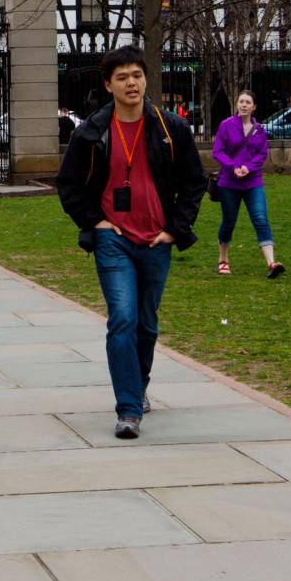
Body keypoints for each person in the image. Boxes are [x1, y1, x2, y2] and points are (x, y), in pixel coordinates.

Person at [54, 45, 207, 441]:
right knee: (122, 317)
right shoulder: (91, 132)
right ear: (109, 85)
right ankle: (128, 409)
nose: (131, 83)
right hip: (113, 240)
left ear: (145, 79)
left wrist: (175, 229)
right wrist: (95, 222)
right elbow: (68, 185)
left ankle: (137, 387)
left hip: (156, 239)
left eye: (136, 75)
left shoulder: (171, 128)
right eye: (121, 77)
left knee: (146, 323)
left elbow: (194, 182)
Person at [211, 90, 283, 278]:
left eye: (247, 102)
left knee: (260, 218)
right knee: (229, 221)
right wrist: (233, 166)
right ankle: (223, 260)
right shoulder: (226, 125)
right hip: (228, 183)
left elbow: (262, 154)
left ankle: (272, 263)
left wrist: (248, 168)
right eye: (241, 101)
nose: (243, 105)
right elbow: (218, 151)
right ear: (237, 104)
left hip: (253, 182)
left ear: (254, 107)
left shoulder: (259, 129)